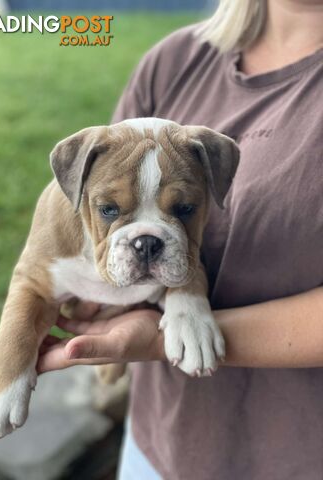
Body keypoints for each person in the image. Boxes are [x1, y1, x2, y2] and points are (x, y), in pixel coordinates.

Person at [37, 0, 323, 478]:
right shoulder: (174, 60)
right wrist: (97, 288)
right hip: (159, 441)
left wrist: (170, 332)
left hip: (294, 455)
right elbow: (99, 212)